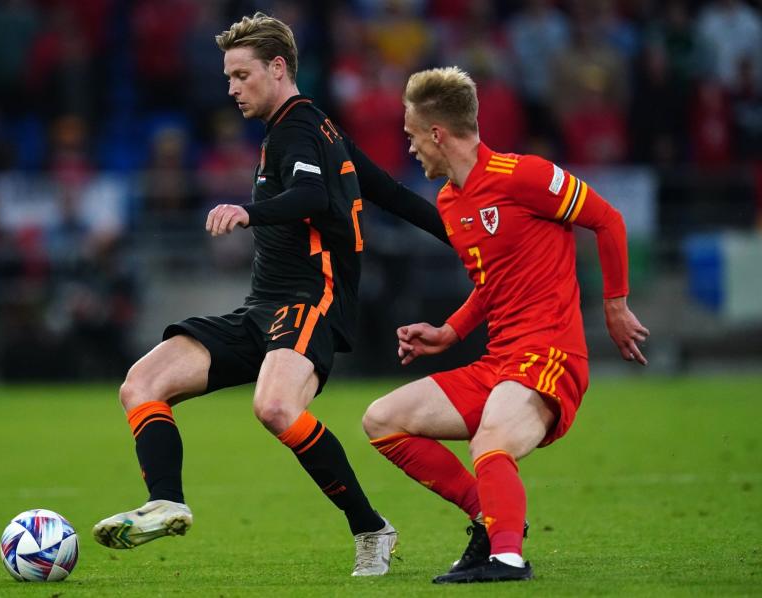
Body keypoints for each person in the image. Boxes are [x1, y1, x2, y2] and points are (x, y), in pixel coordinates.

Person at [91, 12, 450, 576]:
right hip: (261, 309)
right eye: (228, 77)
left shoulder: (298, 128)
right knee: (141, 384)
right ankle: (166, 501)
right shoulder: (317, 131)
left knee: (276, 407)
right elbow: (392, 195)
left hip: (310, 303)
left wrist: (246, 212)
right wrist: (460, 235)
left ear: (277, 68)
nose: (231, 89)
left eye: (240, 75)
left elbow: (309, 196)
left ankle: (371, 529)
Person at [360, 66, 649, 584]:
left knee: (490, 440)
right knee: (382, 419)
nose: (410, 149)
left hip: (550, 355)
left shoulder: (525, 175)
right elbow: (492, 284)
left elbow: (608, 219)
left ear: (437, 134)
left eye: (410, 136)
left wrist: (615, 305)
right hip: (499, 361)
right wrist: (450, 332)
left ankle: (508, 559)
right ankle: (488, 518)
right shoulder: (450, 202)